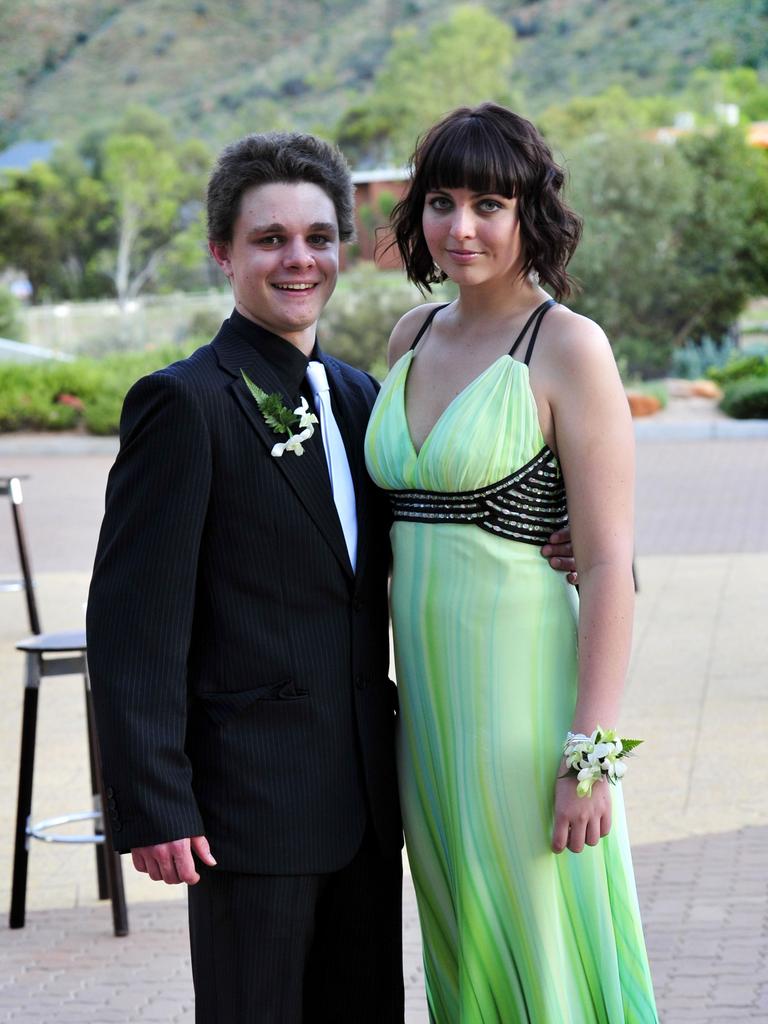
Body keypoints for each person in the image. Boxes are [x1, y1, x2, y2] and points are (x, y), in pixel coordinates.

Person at [87, 129, 578, 1023]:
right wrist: (155, 802)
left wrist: (557, 527)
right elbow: (132, 625)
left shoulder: (364, 398)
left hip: (368, 794)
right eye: (269, 239)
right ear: (222, 254)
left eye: (317, 237)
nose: (298, 259)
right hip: (247, 807)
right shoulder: (182, 404)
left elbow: (432, 526)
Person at [364, 103, 658, 1022]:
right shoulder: (409, 338)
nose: (461, 227)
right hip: (426, 711)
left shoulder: (569, 345)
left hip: (522, 710)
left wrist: (592, 756)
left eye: (489, 203)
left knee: (538, 933)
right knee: (460, 936)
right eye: (441, 201)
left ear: (531, 213)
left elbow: (611, 563)